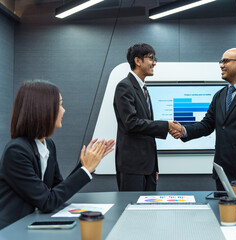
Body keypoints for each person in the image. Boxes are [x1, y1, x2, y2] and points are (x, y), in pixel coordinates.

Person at [0, 80, 115, 229]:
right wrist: (85, 170)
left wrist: (85, 165)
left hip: (34, 224)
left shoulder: (48, 145)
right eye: (59, 104)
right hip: (13, 229)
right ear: (43, 109)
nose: (64, 110)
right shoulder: (16, 151)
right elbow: (48, 202)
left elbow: (58, 189)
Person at [171, 48, 236, 192]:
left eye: (226, 61)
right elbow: (207, 125)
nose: (221, 65)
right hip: (222, 174)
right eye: (221, 61)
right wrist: (184, 130)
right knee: (224, 214)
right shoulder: (220, 95)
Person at [113, 43, 181, 191]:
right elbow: (131, 123)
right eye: (151, 58)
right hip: (133, 167)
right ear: (138, 61)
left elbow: (147, 132)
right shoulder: (124, 87)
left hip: (147, 167)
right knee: (132, 211)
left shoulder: (143, 89)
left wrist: (154, 166)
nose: (154, 63)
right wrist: (166, 125)